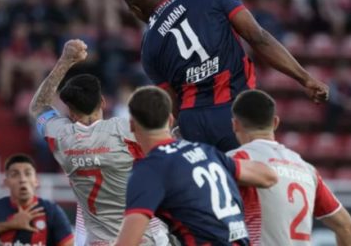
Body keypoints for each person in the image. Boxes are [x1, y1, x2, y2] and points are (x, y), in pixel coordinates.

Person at [120, 0, 329, 152]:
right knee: (251, 189)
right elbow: (258, 37)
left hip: (194, 122)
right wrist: (305, 78)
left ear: (136, 11)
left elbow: (172, 101)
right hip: (236, 110)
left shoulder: (149, 47)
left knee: (213, 194)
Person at [29, 39, 172, 245]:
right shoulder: (126, 130)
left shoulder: (61, 137)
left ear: (69, 111)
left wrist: (65, 61)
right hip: (141, 238)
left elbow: (39, 106)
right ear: (103, 102)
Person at [114, 86, 278, 246]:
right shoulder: (207, 152)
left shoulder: (149, 169)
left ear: (132, 125)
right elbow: (269, 176)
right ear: (170, 120)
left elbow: (128, 241)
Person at [227, 90, 351, 246]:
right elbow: (347, 228)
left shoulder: (234, 161)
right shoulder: (306, 169)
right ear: (275, 122)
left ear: (235, 125)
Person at [0, 154, 74, 246]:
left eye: (28, 173)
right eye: (15, 174)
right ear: (6, 182)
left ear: (36, 181)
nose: (22, 179)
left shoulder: (52, 211)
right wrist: (10, 225)